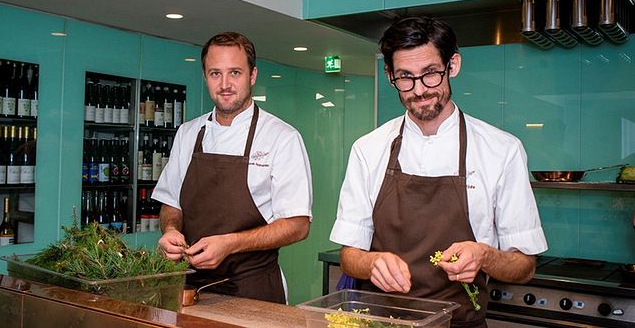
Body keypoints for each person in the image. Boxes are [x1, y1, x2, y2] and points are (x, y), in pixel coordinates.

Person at [330, 17, 547, 327]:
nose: (419, 90)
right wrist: (371, 262)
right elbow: (349, 254)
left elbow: (524, 266)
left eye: (430, 73)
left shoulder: (501, 150)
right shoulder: (369, 149)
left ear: (452, 65)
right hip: (381, 323)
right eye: (405, 77)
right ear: (390, 74)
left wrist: (484, 256)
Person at [152, 31, 313, 304]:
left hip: (254, 289)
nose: (225, 84)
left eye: (235, 73)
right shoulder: (189, 132)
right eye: (215, 73)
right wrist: (170, 230)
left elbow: (298, 225)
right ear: (205, 77)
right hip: (190, 288)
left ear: (252, 76)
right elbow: (171, 203)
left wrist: (230, 244)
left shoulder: (282, 137)